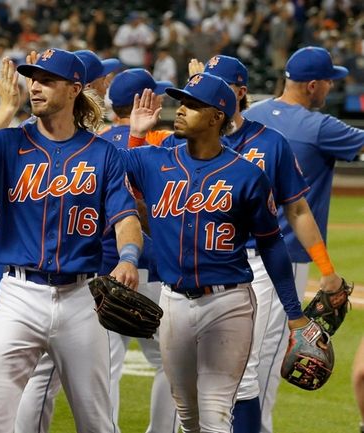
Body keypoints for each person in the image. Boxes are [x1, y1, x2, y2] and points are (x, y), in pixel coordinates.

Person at [0, 44, 142, 432]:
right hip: (17, 295)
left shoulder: (103, 154)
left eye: (47, 81)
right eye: (33, 79)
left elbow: (125, 217)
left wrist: (129, 257)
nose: (35, 88)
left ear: (73, 89)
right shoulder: (6, 144)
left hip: (80, 300)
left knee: (97, 420)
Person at [126, 73, 311, 433]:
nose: (180, 111)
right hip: (173, 301)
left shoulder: (247, 175)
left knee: (215, 413)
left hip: (228, 304)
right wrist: (136, 132)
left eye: (192, 105)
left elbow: (272, 243)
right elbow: (116, 172)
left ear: (216, 118)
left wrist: (294, 313)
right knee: (188, 414)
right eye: (182, 102)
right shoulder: (155, 161)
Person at [193, 54, 344, 433]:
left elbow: (298, 210)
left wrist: (326, 270)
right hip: (206, 266)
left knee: (251, 368)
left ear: (240, 93)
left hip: (263, 262)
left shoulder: (268, 140)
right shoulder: (191, 143)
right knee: (201, 373)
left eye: (219, 88)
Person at [243, 46, 364, 433]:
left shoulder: (250, 116)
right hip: (285, 257)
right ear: (312, 85)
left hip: (236, 252)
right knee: (268, 356)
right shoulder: (319, 126)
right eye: (329, 80)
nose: (331, 86)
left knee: (235, 352)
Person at [98, 67, 179, 433]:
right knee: (170, 363)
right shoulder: (161, 140)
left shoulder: (92, 139)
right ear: (141, 101)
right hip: (150, 265)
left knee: (104, 364)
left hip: (99, 266)